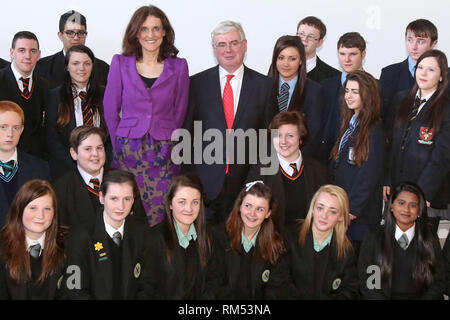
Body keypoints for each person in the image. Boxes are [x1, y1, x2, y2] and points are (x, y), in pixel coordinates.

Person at [183, 20, 277, 225]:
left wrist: (260, 181)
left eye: (234, 43)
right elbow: (187, 134)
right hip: (205, 186)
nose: (228, 50)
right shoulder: (196, 84)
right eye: (222, 44)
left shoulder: (265, 86)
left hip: (246, 187)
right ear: (214, 49)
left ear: (244, 45)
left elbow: (270, 139)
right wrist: (190, 181)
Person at [104, 5, 189, 226]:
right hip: (128, 150)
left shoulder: (179, 66)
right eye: (144, 29)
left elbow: (180, 109)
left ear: (164, 32)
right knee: (126, 209)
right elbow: (110, 108)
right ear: (136, 33)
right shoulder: (120, 63)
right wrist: (119, 144)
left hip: (164, 151)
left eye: (155, 28)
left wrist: (168, 138)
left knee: (161, 213)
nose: (150, 34)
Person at [384, 50, 450, 233]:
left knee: (421, 250)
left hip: (425, 194)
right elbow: (392, 143)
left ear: (442, 76)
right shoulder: (402, 99)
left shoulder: (445, 107)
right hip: (397, 189)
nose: (423, 73)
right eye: (420, 67)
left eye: (431, 70)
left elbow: (442, 157)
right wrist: (387, 179)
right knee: (393, 243)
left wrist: (423, 193)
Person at [60, 169, 151, 299]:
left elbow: (149, 283)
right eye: (114, 199)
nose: (121, 206)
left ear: (133, 200)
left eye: (127, 199)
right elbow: (74, 289)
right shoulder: (81, 236)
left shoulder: (142, 233)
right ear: (102, 198)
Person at [266, 184, 359, 299]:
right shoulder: (289, 235)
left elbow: (350, 290)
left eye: (332, 212)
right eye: (320, 208)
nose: (324, 216)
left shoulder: (347, 249)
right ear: (313, 209)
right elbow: (278, 282)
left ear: (340, 216)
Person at [358, 182, 446, 299]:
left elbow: (438, 281)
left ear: (419, 211)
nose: (406, 209)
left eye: (413, 205)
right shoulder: (374, 237)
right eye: (401, 203)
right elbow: (369, 283)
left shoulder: (429, 238)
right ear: (391, 206)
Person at [330, 71, 385, 252]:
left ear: (367, 95)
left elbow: (370, 174)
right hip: (344, 208)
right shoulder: (350, 123)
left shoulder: (374, 129)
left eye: (355, 91)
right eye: (347, 91)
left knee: (358, 263)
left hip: (360, 214)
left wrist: (352, 208)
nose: (349, 96)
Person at [246, 111, 329, 228]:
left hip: (307, 239)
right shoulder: (260, 169)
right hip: (272, 239)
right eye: (278, 135)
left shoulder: (319, 171)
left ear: (301, 139)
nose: (283, 141)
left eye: (290, 136)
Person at [53, 126, 145, 228]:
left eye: (99, 148)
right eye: (88, 149)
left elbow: (140, 224)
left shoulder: (125, 181)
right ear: (74, 153)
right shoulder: (61, 189)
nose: (95, 154)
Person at [142, 173, 214, 299]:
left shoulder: (207, 238)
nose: (189, 209)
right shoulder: (153, 239)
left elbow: (211, 286)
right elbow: (146, 290)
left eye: (195, 202)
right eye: (182, 202)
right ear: (170, 204)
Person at [211, 181, 286, 299]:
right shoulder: (218, 238)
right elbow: (214, 286)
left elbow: (276, 291)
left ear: (268, 213)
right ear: (239, 206)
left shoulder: (276, 245)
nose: (252, 213)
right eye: (248, 206)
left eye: (260, 209)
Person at [46, 44, 111, 180]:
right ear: (67, 67)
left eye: (87, 63)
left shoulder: (105, 94)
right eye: (75, 63)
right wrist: (76, 165)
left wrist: (103, 163)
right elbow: (52, 138)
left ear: (93, 66)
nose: (81, 68)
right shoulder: (54, 96)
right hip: (67, 171)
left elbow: (111, 135)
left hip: (101, 169)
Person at [0, 179, 66, 299]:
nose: (40, 216)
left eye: (47, 209)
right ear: (19, 210)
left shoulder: (67, 246)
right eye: (33, 208)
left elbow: (71, 292)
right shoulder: (2, 248)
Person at [267, 35, 324, 157]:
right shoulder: (262, 87)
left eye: (292, 59)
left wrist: (294, 159)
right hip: (267, 161)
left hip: (300, 161)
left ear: (301, 60)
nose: (285, 64)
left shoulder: (314, 91)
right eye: (281, 58)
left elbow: (314, 133)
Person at [0, 101, 50, 228]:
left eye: (15, 128)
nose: (10, 134)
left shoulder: (40, 168)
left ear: (22, 130)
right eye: (3, 127)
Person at [320, 32, 367, 164]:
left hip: (359, 159)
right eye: (342, 54)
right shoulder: (325, 86)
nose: (346, 60)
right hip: (326, 159)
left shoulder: (375, 87)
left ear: (363, 55)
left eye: (352, 54)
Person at [0, 31, 49, 160]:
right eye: (22, 50)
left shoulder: (46, 86)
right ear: (12, 53)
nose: (28, 56)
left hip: (35, 162)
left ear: (39, 55)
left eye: (32, 51)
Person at [379, 19, 438, 122]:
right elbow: (381, 115)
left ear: (434, 44)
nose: (414, 47)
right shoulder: (389, 73)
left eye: (420, 41)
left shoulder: (445, 74)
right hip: (396, 136)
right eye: (409, 40)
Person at [34, 10, 109, 89]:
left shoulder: (103, 68)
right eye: (70, 32)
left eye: (81, 32)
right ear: (60, 35)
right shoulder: (42, 67)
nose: (76, 38)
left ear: (86, 34)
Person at [296, 16, 340, 83]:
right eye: (301, 34)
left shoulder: (335, 77)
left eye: (311, 37)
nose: (304, 40)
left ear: (319, 43)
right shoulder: (280, 68)